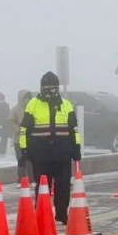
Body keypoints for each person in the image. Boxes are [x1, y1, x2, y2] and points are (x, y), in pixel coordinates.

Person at [19, 72, 81, 224]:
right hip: (41, 154)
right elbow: (24, 129)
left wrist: (76, 147)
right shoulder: (33, 104)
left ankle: (61, 214)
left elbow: (74, 129)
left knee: (63, 186)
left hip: (62, 153)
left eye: (53, 87)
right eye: (47, 87)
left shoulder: (66, 104)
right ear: (41, 88)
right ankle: (41, 214)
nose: (50, 90)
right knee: (42, 187)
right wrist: (24, 150)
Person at [7, 89, 33, 182]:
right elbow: (10, 121)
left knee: (30, 160)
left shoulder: (33, 108)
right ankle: (21, 179)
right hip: (18, 139)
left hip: (31, 139)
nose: (27, 100)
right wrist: (18, 129)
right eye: (25, 98)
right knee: (21, 159)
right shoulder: (15, 109)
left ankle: (32, 180)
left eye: (28, 98)